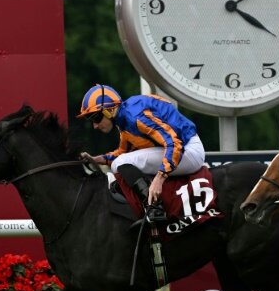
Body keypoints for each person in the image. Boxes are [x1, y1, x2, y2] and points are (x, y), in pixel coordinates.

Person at [78, 84, 205, 222]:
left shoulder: (135, 117)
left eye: (96, 118)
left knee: (120, 164)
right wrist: (95, 159)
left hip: (188, 150)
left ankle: (155, 207)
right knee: (119, 163)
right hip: (180, 149)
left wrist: (159, 179)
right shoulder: (124, 121)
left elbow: (174, 143)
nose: (95, 126)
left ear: (110, 110)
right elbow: (121, 154)